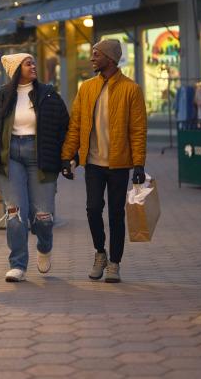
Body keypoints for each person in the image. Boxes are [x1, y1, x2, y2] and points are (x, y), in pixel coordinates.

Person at [0, 53, 70, 282]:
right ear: (16, 69)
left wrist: (69, 159)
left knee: (43, 216)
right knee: (15, 213)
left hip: (40, 156)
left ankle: (44, 247)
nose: (33, 66)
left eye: (34, 62)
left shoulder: (48, 94)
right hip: (9, 158)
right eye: (28, 63)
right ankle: (17, 264)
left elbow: (65, 128)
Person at [61, 39, 147, 284]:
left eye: (96, 55)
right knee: (92, 209)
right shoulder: (86, 88)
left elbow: (138, 130)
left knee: (116, 214)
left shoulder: (131, 89)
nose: (92, 59)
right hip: (93, 163)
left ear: (110, 58)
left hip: (119, 164)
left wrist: (139, 164)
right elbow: (75, 125)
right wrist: (67, 157)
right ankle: (100, 252)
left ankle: (115, 263)